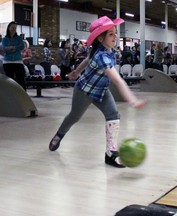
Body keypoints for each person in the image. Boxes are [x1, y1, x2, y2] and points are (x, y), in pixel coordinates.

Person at [48, 16, 146, 168]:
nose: (115, 36)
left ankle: (110, 153)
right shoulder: (102, 57)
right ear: (101, 38)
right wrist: (132, 99)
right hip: (84, 91)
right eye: (111, 34)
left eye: (115, 33)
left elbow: (87, 59)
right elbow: (118, 80)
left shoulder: (103, 49)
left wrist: (75, 72)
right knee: (74, 117)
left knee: (113, 115)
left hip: (101, 91)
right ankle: (59, 134)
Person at [2, 21, 26, 90]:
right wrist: (13, 48)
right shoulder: (5, 39)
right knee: (9, 81)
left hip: (18, 61)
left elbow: (22, 46)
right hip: (7, 62)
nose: (14, 29)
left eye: (15, 28)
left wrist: (13, 47)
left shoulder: (19, 38)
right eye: (12, 27)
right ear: (9, 28)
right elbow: (4, 48)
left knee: (21, 79)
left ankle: (23, 95)